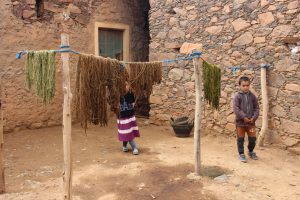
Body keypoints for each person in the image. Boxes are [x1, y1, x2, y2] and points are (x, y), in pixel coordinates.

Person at [233, 76, 259, 162]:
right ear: (240, 86)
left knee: (252, 139)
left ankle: (250, 151)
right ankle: (241, 154)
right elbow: (236, 109)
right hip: (240, 123)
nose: (245, 87)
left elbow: (257, 108)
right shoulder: (237, 96)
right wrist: (243, 117)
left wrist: (253, 118)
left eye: (247, 85)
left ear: (249, 85)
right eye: (243, 85)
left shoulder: (253, 96)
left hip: (251, 123)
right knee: (240, 139)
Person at [117, 82, 140, 155]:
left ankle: (124, 146)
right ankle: (134, 148)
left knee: (128, 131)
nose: (125, 87)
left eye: (127, 85)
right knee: (127, 132)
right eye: (124, 85)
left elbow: (133, 102)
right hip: (122, 118)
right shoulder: (117, 94)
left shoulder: (131, 93)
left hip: (130, 116)